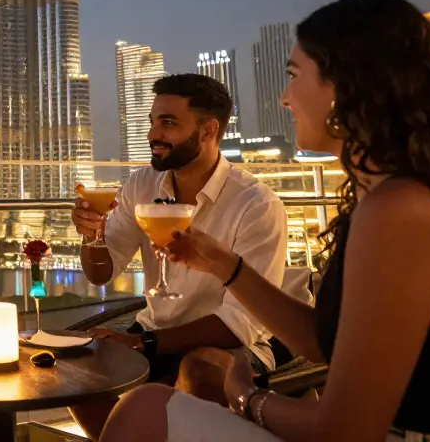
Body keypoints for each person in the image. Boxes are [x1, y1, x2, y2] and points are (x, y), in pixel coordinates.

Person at [101, 0, 430, 442]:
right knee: (143, 408)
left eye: (294, 75)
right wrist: (226, 266)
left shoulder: (401, 211)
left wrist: (247, 399)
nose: (283, 97)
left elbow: (345, 430)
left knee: (144, 412)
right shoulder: (387, 196)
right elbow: (330, 345)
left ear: (348, 86)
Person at [69, 74, 287, 440]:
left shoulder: (256, 204)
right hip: (154, 332)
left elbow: (239, 324)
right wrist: (92, 236)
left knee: (199, 369)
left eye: (168, 123)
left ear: (208, 130)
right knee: (78, 362)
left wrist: (144, 343)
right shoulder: (142, 185)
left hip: (230, 347)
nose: (154, 134)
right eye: (152, 122)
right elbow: (101, 274)